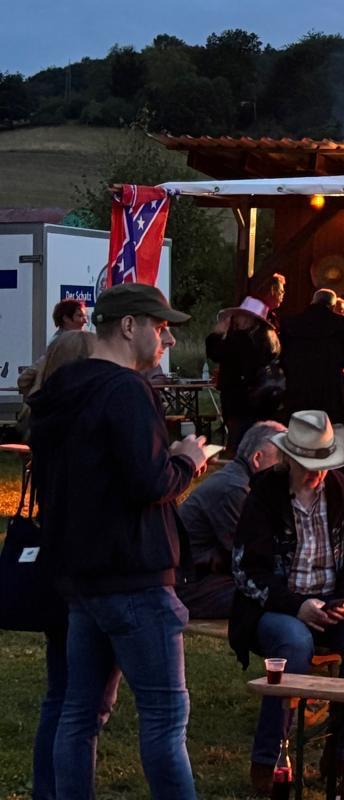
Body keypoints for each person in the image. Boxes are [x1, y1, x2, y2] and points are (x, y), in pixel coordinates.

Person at [29, 283, 206, 800]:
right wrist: (187, 460)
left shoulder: (61, 389)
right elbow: (149, 482)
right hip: (135, 577)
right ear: (129, 327)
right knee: (164, 720)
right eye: (161, 327)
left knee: (78, 714)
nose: (168, 340)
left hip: (82, 580)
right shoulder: (126, 390)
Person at [231, 411, 344, 798]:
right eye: (310, 465)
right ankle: (269, 758)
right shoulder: (264, 496)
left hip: (333, 600)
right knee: (294, 643)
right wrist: (296, 605)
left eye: (324, 464)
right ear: (290, 459)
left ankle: (343, 754)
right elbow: (247, 570)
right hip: (278, 606)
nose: (318, 473)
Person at [20, 329, 119, 800]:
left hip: (56, 565)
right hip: (89, 568)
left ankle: (48, 788)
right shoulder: (84, 421)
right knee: (82, 701)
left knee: (61, 692)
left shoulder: (46, 417)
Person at [176, 420, 285, 619]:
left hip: (203, 578)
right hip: (191, 587)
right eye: (282, 459)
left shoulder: (239, 480)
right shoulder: (234, 490)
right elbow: (253, 555)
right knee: (273, 595)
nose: (286, 468)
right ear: (257, 458)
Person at [208, 275, 284, 453]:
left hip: (243, 401)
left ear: (248, 318)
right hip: (262, 399)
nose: (235, 320)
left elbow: (216, 353)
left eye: (240, 316)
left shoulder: (245, 340)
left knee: (240, 443)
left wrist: (216, 335)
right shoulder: (267, 336)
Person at [279, 288, 344, 423]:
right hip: (330, 388)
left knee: (299, 427)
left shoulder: (290, 323)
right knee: (328, 427)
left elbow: (282, 352)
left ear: (313, 302)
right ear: (333, 306)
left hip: (298, 387)